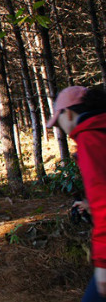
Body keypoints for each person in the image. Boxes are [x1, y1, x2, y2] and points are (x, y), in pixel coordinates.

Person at [47, 86, 106, 301]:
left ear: (68, 114)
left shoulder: (90, 138)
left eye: (58, 121)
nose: (61, 128)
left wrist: (103, 264)